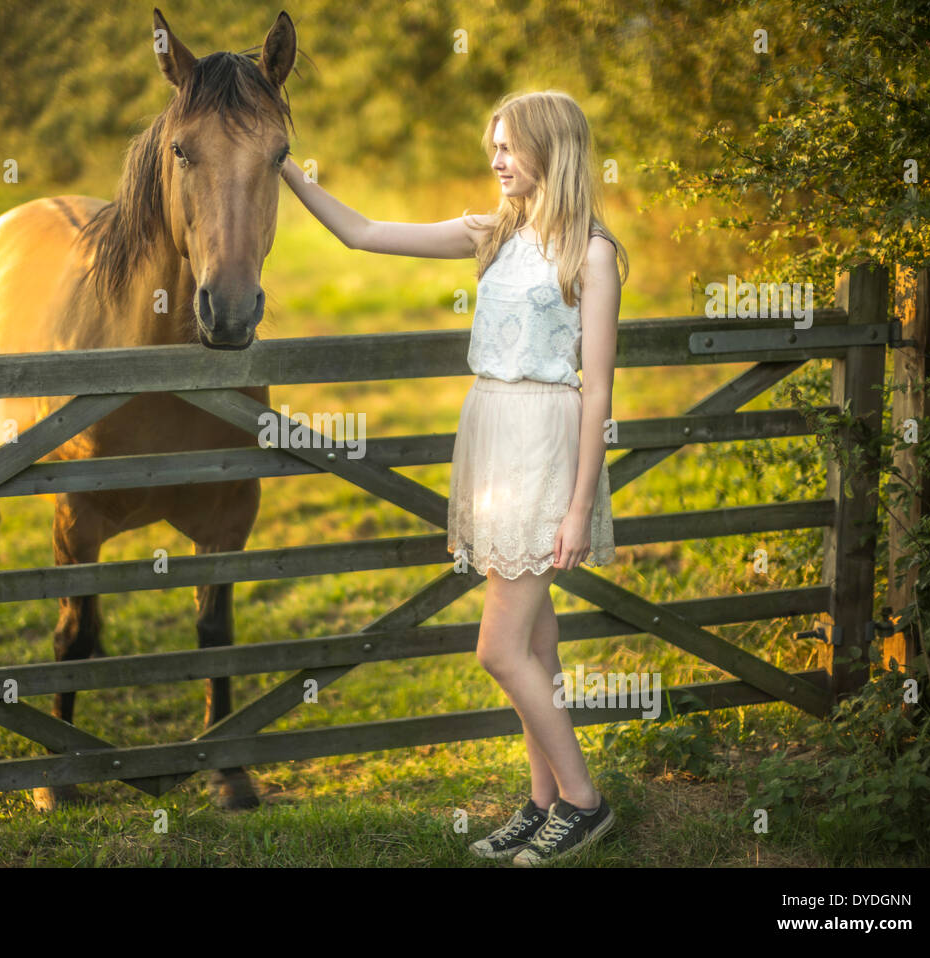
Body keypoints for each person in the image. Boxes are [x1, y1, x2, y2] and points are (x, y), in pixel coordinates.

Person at [279, 89, 629, 865]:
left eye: (508, 147)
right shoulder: (492, 234)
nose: (496, 161)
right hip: (491, 436)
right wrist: (286, 171)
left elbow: (598, 390)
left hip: (546, 442)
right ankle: (541, 805)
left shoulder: (591, 252)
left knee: (499, 649)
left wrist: (577, 507)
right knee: (536, 647)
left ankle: (583, 801)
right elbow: (363, 232)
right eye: (493, 148)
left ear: (551, 150)